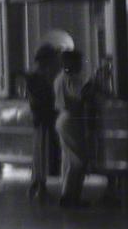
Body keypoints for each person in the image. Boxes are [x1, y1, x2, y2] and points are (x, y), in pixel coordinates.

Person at [25, 37, 65, 202]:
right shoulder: (39, 78)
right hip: (43, 120)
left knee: (38, 154)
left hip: (39, 120)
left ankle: (36, 184)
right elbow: (46, 100)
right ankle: (40, 187)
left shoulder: (34, 77)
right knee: (42, 154)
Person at [54, 45, 89, 207]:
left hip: (61, 118)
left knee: (68, 159)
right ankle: (70, 197)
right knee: (78, 160)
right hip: (71, 119)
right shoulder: (72, 78)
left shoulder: (59, 78)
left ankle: (66, 192)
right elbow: (77, 98)